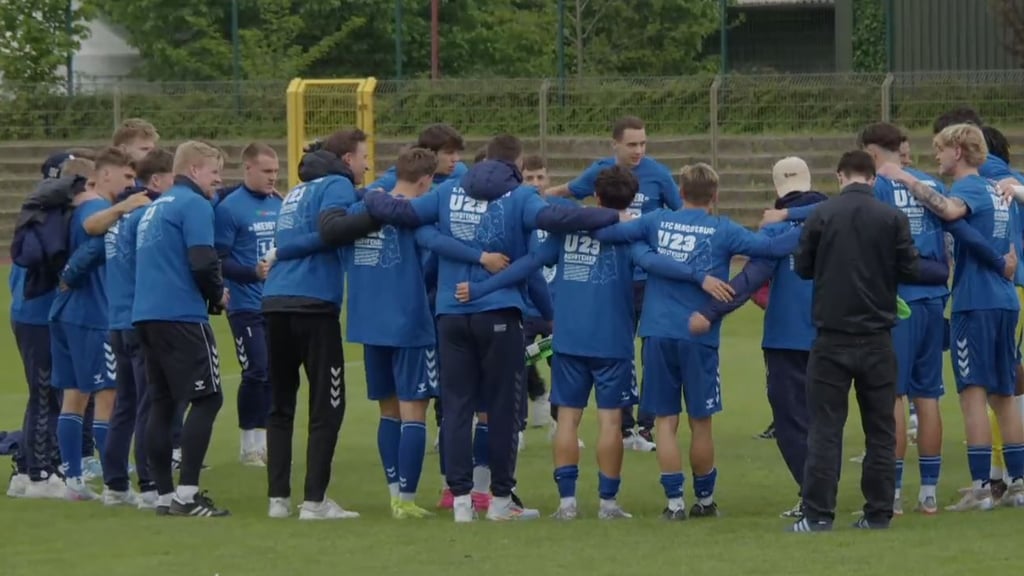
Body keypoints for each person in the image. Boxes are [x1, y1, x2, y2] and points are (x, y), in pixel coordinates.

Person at [361, 134, 624, 522]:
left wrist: (370, 196)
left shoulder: (448, 191)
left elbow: (406, 217)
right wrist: (612, 215)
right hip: (499, 313)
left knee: (455, 410)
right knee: (501, 411)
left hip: (450, 314)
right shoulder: (518, 197)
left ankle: (462, 504)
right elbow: (556, 220)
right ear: (515, 165)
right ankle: (500, 501)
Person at [454, 165, 733, 520]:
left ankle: (567, 503)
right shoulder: (630, 233)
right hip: (612, 340)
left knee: (568, 420)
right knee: (610, 423)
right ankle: (607, 503)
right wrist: (699, 279)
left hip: (570, 337)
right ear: (632, 199)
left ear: (596, 197)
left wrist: (481, 288)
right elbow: (655, 266)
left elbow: (528, 265)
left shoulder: (570, 229)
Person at [590, 163, 799, 520]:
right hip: (698, 334)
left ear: (681, 193)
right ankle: (704, 500)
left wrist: (638, 244)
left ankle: (674, 503)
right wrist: (806, 225)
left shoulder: (655, 221)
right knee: (700, 422)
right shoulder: (724, 230)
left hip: (656, 332)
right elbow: (771, 248)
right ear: (714, 196)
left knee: (665, 422)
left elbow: (606, 233)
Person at [790, 150, 947, 532]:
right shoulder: (891, 218)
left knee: (826, 428)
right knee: (880, 429)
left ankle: (818, 516)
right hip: (878, 336)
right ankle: (878, 513)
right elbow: (910, 268)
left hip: (832, 336)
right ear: (874, 179)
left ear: (840, 176)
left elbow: (803, 267)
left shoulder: (821, 215)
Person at [879, 124, 1024, 511]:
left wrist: (905, 177)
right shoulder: (997, 190)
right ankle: (1018, 483)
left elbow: (948, 211)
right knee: (1004, 395)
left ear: (958, 151)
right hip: (1006, 301)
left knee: (973, 394)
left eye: (941, 150)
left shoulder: (970, 188)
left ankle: (980, 488)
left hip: (975, 301)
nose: (937, 157)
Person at [693, 157, 828, 519]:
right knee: (824, 419)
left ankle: (812, 496)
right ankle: (834, 493)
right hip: (833, 334)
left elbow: (751, 278)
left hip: (787, 337)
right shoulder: (837, 220)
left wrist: (710, 311)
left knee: (791, 421)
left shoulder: (772, 231)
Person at [545, 115, 680, 452]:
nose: (638, 151)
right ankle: (625, 424)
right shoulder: (599, 172)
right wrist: (533, 195)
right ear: (615, 145)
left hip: (646, 282)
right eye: (632, 144)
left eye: (643, 144)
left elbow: (678, 216)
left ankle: (646, 424)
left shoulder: (660, 175)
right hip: (612, 281)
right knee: (615, 352)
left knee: (650, 352)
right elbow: (567, 194)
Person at [261, 130, 367, 521]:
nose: (367, 164)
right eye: (363, 157)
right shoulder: (337, 185)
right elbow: (331, 231)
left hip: (274, 302)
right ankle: (315, 501)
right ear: (345, 159)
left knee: (280, 404)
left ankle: (278, 499)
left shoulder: (294, 191)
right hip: (313, 304)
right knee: (328, 404)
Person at [133, 140, 229, 517]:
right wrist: (218, 294)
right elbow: (203, 260)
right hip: (181, 315)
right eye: (214, 172)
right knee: (208, 398)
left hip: (146, 314)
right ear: (193, 170)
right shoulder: (194, 205)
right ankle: (187, 495)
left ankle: (161, 494)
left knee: (162, 403)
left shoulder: (154, 208)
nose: (218, 180)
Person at [7, 155, 96, 500]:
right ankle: (41, 475)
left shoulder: (39, 214)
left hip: (28, 313)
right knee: (47, 394)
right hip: (39, 315)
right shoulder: (56, 218)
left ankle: (28, 468)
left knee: (43, 395)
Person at [51, 146, 137, 501]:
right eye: (127, 176)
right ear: (104, 175)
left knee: (74, 397)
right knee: (108, 398)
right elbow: (96, 243)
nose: (130, 183)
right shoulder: (99, 208)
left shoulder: (76, 207)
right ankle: (117, 483)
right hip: (92, 313)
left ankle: (74, 480)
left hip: (65, 312)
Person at [100, 148, 173, 509]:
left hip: (116, 318)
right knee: (148, 403)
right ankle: (148, 483)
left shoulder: (117, 215)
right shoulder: (144, 212)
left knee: (125, 405)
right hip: (138, 318)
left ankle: (115, 484)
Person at [214, 142, 282, 466]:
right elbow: (219, 260)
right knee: (255, 370)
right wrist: (252, 273)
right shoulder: (229, 209)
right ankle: (247, 444)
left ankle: (266, 442)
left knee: (274, 373)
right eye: (267, 171)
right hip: (243, 304)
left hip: (275, 303)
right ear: (248, 169)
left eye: (276, 171)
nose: (273, 177)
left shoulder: (280, 203)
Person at [366, 123, 467, 191]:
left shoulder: (460, 172)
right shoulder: (402, 175)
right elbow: (361, 198)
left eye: (457, 153)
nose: (456, 159)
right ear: (430, 153)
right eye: (449, 153)